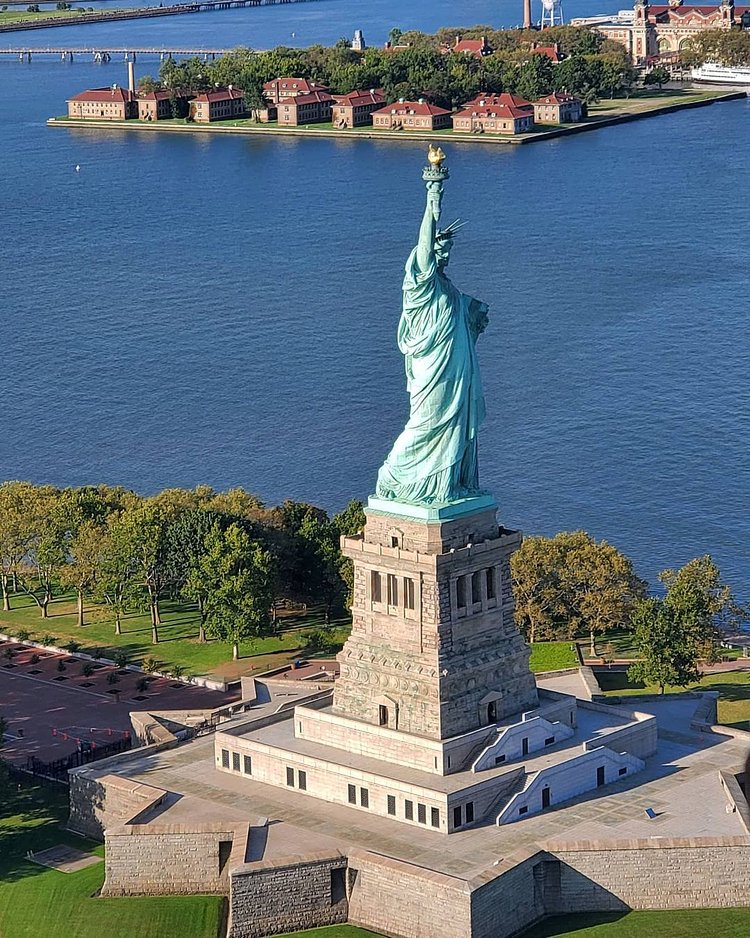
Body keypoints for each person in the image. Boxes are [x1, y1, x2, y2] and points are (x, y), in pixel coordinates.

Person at [375, 168, 489, 506]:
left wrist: (474, 313)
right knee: (426, 423)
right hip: (433, 369)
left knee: (454, 424)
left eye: (448, 251)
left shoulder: (447, 288)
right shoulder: (419, 284)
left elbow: (460, 313)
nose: (445, 256)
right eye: (441, 251)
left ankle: (449, 485)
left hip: (456, 368)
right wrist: (433, 198)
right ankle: (393, 475)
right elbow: (425, 243)